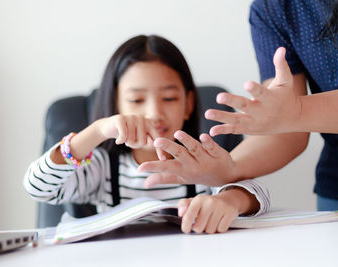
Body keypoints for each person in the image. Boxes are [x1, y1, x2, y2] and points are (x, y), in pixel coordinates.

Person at [24, 34, 270, 234]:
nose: (154, 113)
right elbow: (37, 187)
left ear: (189, 104)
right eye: (137, 99)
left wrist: (229, 201)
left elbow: (258, 196)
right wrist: (97, 130)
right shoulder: (102, 169)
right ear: (116, 105)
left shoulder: (203, 164)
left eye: (169, 98)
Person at [139, 0, 338, 211]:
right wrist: (230, 167)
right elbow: (285, 127)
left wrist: (298, 111)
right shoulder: (273, 8)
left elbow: (293, 115)